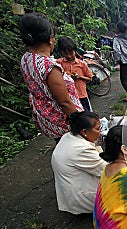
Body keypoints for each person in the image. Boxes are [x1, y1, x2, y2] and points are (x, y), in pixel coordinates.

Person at [19, 12, 83, 141]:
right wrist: (82, 125)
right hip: (65, 122)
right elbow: (64, 102)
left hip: (47, 119)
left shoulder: (26, 59)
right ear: (50, 39)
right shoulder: (49, 67)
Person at [51, 111, 107, 215]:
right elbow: (108, 171)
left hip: (69, 192)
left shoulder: (68, 136)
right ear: (84, 131)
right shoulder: (81, 149)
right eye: (98, 128)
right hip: (80, 198)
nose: (100, 132)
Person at [56, 36, 93, 111]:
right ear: (61, 52)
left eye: (70, 53)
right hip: (68, 97)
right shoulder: (58, 63)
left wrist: (79, 77)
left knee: (86, 115)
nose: (69, 56)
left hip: (81, 95)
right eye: (65, 53)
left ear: (75, 50)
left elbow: (90, 78)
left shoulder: (81, 64)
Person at [113, 21, 127, 102]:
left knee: (123, 80)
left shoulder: (117, 39)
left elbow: (117, 51)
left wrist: (117, 60)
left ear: (118, 29)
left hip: (125, 62)